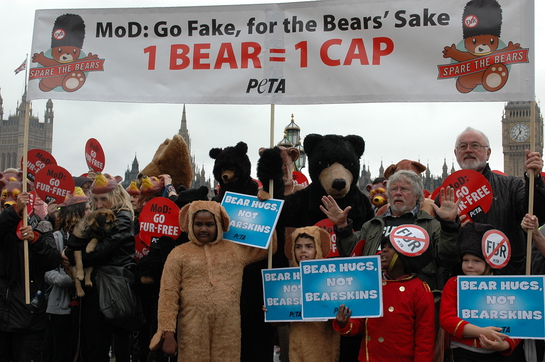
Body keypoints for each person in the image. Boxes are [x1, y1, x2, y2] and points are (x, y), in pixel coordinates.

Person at [149, 200, 276, 361]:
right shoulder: (178, 254)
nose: (203, 229)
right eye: (198, 224)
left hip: (228, 329)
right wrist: (168, 332)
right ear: (189, 224)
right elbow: (168, 295)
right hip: (191, 328)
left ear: (219, 223)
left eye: (209, 224)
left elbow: (267, 248)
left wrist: (267, 212)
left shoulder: (234, 251)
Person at [321, 169, 460, 291]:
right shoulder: (372, 225)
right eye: (393, 189)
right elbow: (350, 253)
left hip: (415, 299)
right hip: (376, 294)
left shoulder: (431, 225)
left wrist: (448, 225)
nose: (398, 193)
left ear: (417, 195)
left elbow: (448, 258)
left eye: (404, 189)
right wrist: (342, 226)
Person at [453, 127, 545, 275]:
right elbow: (441, 250)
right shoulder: (447, 195)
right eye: (463, 146)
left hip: (507, 278)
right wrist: (449, 225)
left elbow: (536, 214)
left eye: (475, 145)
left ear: (488, 153)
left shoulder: (512, 186)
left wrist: (534, 179)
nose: (468, 150)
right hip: (463, 282)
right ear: (456, 153)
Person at [64, 173, 135, 362]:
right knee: (92, 347)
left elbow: (97, 252)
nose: (99, 203)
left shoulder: (122, 218)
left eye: (104, 198)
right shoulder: (97, 217)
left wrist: (72, 255)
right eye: (95, 199)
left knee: (105, 347)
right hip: (95, 287)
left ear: (115, 197)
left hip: (112, 288)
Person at [333, 236, 436, 361]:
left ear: (405, 253)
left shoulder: (420, 290)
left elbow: (425, 338)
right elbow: (358, 324)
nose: (384, 251)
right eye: (383, 247)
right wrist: (344, 322)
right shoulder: (371, 284)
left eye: (391, 247)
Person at [439, 223, 520, 361]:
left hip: (498, 353)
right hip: (462, 352)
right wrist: (481, 332)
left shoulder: (507, 286)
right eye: (465, 260)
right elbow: (446, 319)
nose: (469, 265)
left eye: (476, 261)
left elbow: (519, 322)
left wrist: (504, 345)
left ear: (490, 263)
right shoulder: (453, 284)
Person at [0, 190, 61, 361]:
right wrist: (13, 214)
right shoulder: (5, 228)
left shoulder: (41, 227)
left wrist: (36, 240)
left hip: (29, 317)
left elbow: (52, 260)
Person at [265, 226, 340, 362]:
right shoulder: (286, 280)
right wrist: (272, 310)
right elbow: (279, 322)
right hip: (296, 346)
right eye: (298, 247)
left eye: (309, 246)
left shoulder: (329, 278)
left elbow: (336, 315)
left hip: (322, 346)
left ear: (318, 247)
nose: (303, 251)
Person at [45, 187, 91, 362]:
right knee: (62, 353)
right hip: (61, 308)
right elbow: (47, 273)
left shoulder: (91, 238)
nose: (90, 212)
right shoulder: (57, 237)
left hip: (85, 306)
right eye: (86, 209)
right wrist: (69, 280)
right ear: (76, 212)